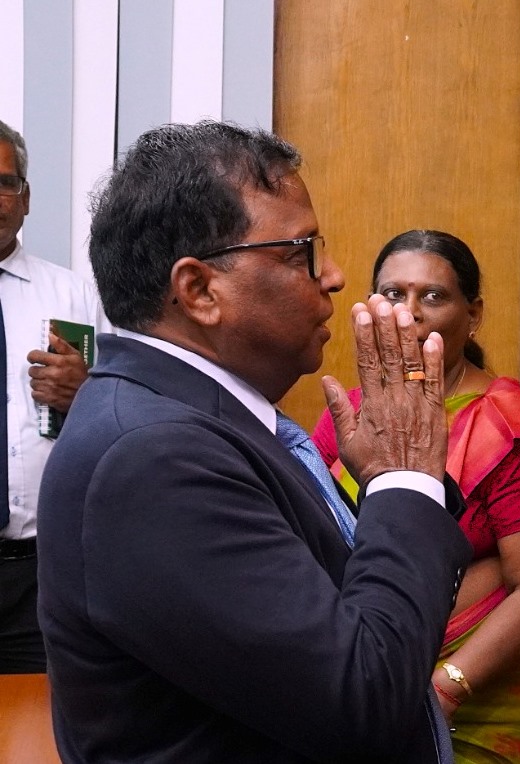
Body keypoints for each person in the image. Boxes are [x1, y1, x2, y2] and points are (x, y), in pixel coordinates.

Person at [35, 122, 473, 763]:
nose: (334, 276)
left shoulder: (193, 420)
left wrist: (394, 486)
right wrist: (404, 479)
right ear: (199, 291)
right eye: (301, 253)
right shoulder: (154, 458)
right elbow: (362, 698)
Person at [312, 230, 520, 764]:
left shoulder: (507, 430)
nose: (410, 313)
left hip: (477, 704)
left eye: (433, 296)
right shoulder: (349, 414)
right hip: (365, 673)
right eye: (392, 294)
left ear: (473, 314)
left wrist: (442, 692)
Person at [0, 118, 104, 674]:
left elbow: (131, 417)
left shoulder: (73, 296)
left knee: (39, 717)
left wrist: (86, 394)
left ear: (26, 197)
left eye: (5, 183)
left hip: (41, 572)